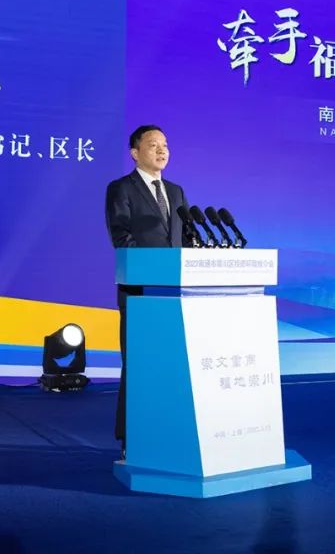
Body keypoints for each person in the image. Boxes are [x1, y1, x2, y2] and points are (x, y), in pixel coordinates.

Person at [104, 125, 188, 459]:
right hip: (140, 292)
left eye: (165, 144)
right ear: (135, 152)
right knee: (139, 364)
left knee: (171, 364)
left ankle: (170, 433)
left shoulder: (177, 192)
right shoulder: (121, 188)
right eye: (153, 145)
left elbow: (186, 239)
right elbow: (121, 237)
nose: (162, 150)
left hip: (174, 294)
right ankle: (133, 440)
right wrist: (155, 269)